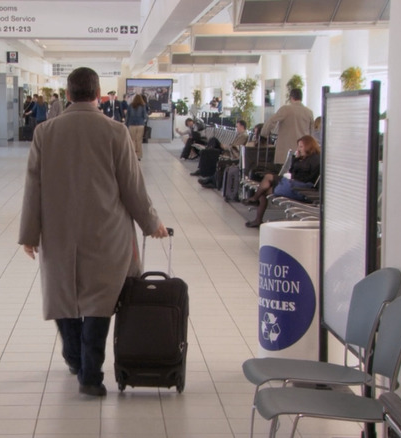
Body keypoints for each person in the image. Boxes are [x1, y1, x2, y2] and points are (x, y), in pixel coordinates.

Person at [18, 67, 168, 397]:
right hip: (106, 231)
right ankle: (90, 375)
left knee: (64, 295)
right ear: (99, 94)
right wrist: (151, 222)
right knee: (100, 301)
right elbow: (132, 186)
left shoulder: (45, 132)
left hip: (59, 231)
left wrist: (29, 234)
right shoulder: (115, 132)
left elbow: (33, 186)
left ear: (68, 95)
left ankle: (74, 357)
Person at [243, 135, 321, 228]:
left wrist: (294, 178)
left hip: (300, 189)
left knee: (267, 179)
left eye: (301, 146)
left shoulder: (315, 159)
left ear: (309, 146)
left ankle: (255, 199)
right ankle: (258, 218)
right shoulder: (302, 158)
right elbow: (292, 172)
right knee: (264, 190)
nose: (299, 149)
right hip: (293, 184)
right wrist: (296, 158)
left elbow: (309, 178)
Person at [260, 88, 314, 163]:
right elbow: (311, 133)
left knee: (284, 172)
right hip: (302, 152)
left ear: (291, 98)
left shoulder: (286, 109)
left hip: (285, 152)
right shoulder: (309, 112)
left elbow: (271, 121)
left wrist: (264, 134)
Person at [195, 119, 249, 184]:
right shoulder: (240, 135)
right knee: (209, 148)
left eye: (237, 126)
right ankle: (203, 171)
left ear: (242, 127)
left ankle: (205, 174)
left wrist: (225, 146)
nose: (236, 128)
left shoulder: (244, 136)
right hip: (228, 150)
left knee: (211, 145)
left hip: (230, 153)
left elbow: (236, 147)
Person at [125, 94, 148, 160]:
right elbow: (145, 116)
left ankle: (133, 155)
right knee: (139, 140)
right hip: (140, 125)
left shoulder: (130, 106)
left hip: (131, 125)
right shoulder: (143, 106)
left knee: (132, 140)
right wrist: (144, 122)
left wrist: (126, 124)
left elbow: (127, 116)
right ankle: (139, 156)